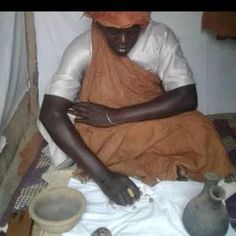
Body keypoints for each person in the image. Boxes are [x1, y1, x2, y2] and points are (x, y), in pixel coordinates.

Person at [38, 12, 233, 206]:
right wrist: (105, 179)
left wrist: (112, 115)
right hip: (104, 135)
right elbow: (50, 113)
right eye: (113, 31)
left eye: (132, 31)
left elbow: (187, 97)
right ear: (98, 24)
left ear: (143, 23)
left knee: (199, 128)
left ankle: (141, 165)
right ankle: (142, 166)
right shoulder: (83, 47)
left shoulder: (159, 37)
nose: (123, 40)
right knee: (82, 136)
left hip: (146, 120)